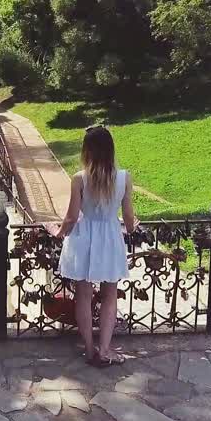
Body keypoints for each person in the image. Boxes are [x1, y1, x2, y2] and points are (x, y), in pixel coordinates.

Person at [54, 125, 136, 367]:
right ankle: (105, 348)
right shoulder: (124, 178)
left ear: (86, 150)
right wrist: (131, 227)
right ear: (111, 149)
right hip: (110, 236)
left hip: (84, 239)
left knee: (84, 296)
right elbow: (129, 219)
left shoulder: (79, 178)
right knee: (110, 296)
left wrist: (57, 233)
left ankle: (89, 349)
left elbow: (70, 218)